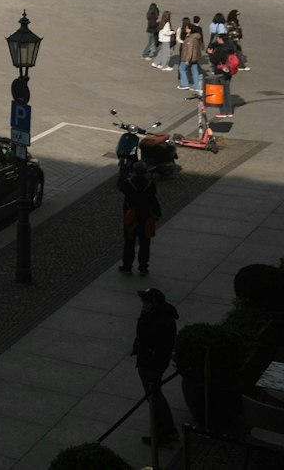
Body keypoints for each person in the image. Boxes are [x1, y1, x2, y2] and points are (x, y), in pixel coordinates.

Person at [134, 288, 180, 447]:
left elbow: (148, 338)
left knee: (155, 398)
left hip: (152, 364)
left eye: (145, 301)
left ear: (153, 304)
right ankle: (166, 430)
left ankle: (163, 432)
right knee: (155, 397)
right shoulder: (155, 316)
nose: (142, 304)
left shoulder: (161, 321)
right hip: (149, 362)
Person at [119, 161, 162, 276]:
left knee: (129, 242)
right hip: (145, 216)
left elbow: (121, 187)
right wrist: (157, 213)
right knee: (144, 243)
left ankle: (127, 266)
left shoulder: (128, 184)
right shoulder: (150, 184)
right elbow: (153, 200)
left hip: (131, 216)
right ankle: (143, 267)